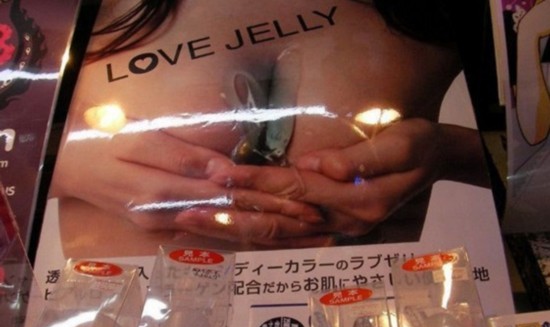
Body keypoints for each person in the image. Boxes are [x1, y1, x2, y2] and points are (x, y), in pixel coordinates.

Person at [49, 0, 489, 257]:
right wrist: (55, 161)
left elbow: (524, 167)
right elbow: (18, 143)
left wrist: (450, 151)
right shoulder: (68, 12)